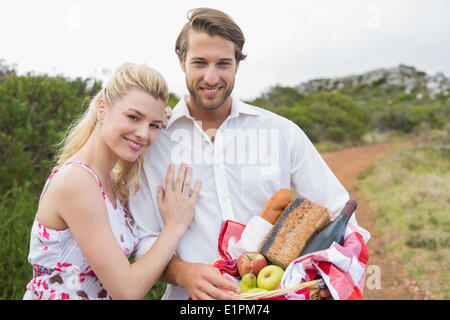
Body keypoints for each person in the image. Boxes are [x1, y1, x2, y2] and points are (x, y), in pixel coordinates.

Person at [129, 8, 356, 300]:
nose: (211, 78)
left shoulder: (281, 133)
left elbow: (341, 214)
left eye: (223, 63)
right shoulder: (153, 142)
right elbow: (146, 238)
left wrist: (330, 279)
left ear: (237, 63)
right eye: (199, 62)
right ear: (181, 60)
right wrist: (183, 273)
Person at [23, 63, 201, 300]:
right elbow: (127, 290)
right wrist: (175, 226)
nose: (143, 133)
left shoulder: (113, 182)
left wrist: (164, 116)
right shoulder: (77, 182)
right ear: (102, 109)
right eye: (133, 117)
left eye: (153, 125)